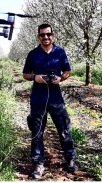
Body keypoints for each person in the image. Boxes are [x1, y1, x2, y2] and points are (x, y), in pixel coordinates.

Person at [22, 23, 76, 179]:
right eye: (42, 35)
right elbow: (25, 74)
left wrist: (60, 78)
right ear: (38, 37)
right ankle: (38, 164)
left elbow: (67, 71)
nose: (45, 37)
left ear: (53, 35)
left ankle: (70, 159)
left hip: (56, 98)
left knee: (64, 129)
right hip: (38, 99)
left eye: (48, 34)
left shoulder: (60, 52)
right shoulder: (33, 54)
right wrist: (35, 77)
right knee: (37, 132)